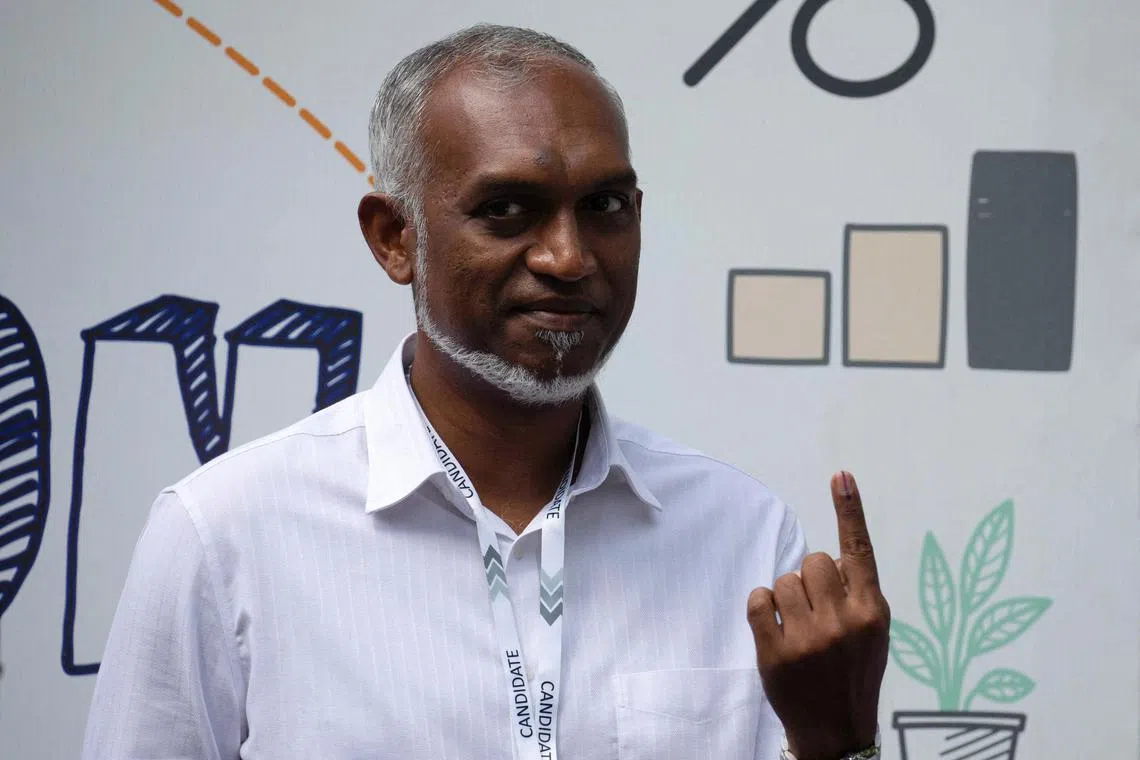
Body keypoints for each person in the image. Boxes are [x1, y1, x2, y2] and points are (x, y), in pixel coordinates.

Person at [83, 23, 890, 760]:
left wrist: (837, 747)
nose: (569, 257)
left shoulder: (743, 538)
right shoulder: (224, 537)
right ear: (395, 238)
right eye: (507, 210)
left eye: (605, 206)